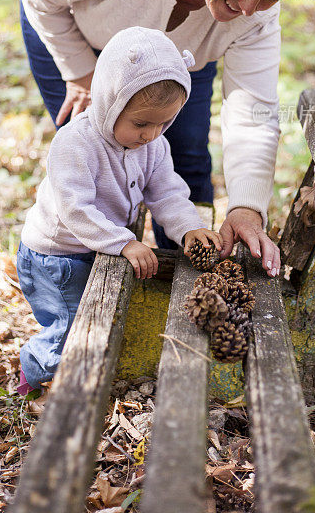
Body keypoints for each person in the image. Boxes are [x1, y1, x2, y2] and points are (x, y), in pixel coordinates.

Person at [19, 0, 315, 279]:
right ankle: (86, 273)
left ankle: (184, 278)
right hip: (73, 29)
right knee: (98, 154)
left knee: (183, 160)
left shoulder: (255, 16)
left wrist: (246, 206)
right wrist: (80, 72)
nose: (249, 9)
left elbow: (252, 109)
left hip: (180, 60)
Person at [16, 27, 222, 394]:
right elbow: (74, 209)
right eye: (141, 123)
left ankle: (76, 377)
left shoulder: (153, 145)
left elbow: (167, 193)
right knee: (68, 327)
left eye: (164, 123)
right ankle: (34, 380)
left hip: (98, 246)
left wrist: (189, 228)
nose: (152, 134)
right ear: (110, 101)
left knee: (92, 323)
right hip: (57, 256)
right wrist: (124, 243)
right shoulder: (76, 143)